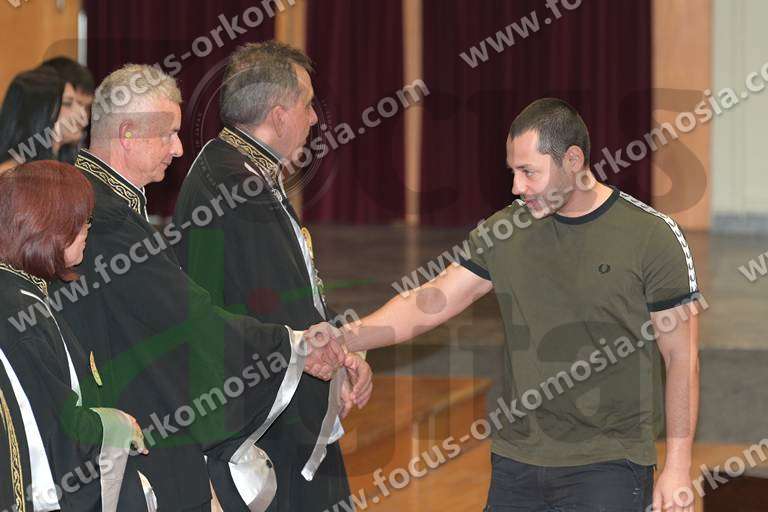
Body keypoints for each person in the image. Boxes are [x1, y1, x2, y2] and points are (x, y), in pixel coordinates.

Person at [310, 98, 702, 512]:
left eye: (529, 172)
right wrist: (344, 338)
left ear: (573, 160)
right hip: (517, 461)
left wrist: (678, 466)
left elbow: (682, 357)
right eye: (513, 172)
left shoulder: (652, 236)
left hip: (610, 464)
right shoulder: (506, 229)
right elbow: (430, 300)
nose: (517, 187)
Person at [55, 63, 355, 511]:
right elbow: (190, 318)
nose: (178, 149)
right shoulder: (107, 218)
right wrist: (293, 347)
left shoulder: (95, 199)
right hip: (128, 436)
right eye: (168, 134)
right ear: (128, 135)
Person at [173, 41, 372, 511]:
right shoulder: (236, 183)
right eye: (308, 106)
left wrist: (342, 351)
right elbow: (276, 307)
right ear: (279, 116)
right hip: (266, 416)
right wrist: (337, 355)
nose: (315, 119)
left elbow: (296, 289)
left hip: (273, 394)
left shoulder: (236, 167)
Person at [0, 161, 155, 511]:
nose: (87, 229)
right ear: (48, 225)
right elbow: (55, 429)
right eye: (80, 220)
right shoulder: (21, 310)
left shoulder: (20, 293)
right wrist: (116, 425)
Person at [0, 67, 86, 172]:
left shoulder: (70, 164)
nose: (81, 112)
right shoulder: (8, 175)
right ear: (39, 114)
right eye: (67, 103)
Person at [42, 56, 96, 163]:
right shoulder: (20, 157)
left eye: (87, 108)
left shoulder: (78, 153)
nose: (84, 119)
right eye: (68, 103)